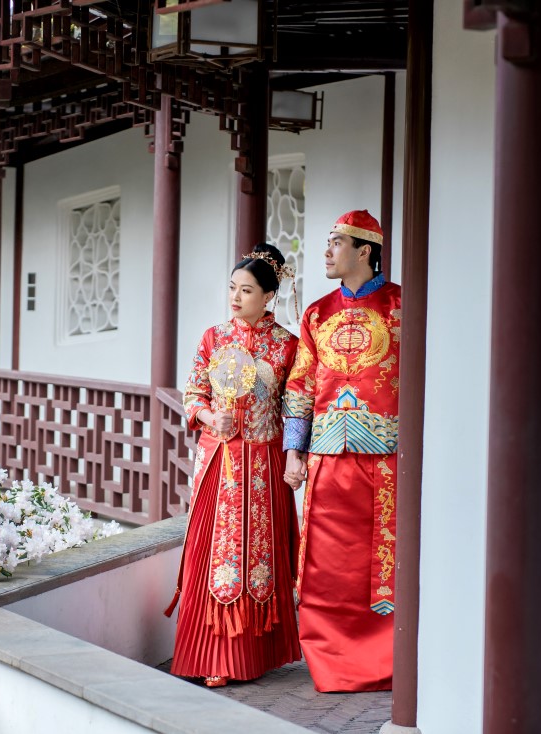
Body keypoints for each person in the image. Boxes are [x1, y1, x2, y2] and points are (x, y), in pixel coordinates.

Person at [166, 242, 302, 688]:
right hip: (220, 460)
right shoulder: (214, 337)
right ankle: (214, 655)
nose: (236, 297)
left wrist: (292, 456)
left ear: (268, 296)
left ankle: (255, 653)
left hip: (263, 463)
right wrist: (210, 416)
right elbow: (192, 394)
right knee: (215, 553)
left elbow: (297, 407)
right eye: (232, 288)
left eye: (246, 290)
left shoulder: (287, 347)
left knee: (259, 558)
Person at [282, 209, 401, 693]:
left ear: (364, 251)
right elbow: (300, 387)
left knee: (383, 563)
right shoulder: (316, 313)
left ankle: (388, 660)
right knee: (326, 566)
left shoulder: (402, 306)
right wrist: (294, 452)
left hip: (388, 461)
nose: (327, 252)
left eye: (335, 243)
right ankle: (332, 663)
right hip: (328, 459)